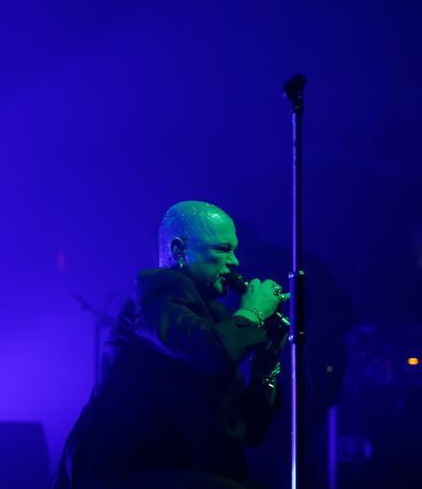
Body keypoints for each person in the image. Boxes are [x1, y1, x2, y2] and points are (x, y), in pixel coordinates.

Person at [54, 201, 287, 489]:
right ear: (179, 250)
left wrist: (267, 363)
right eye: (223, 249)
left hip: (173, 468)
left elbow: (249, 431)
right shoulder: (158, 289)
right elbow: (212, 353)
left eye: (235, 251)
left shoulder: (218, 318)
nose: (235, 262)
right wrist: (252, 312)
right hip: (120, 470)